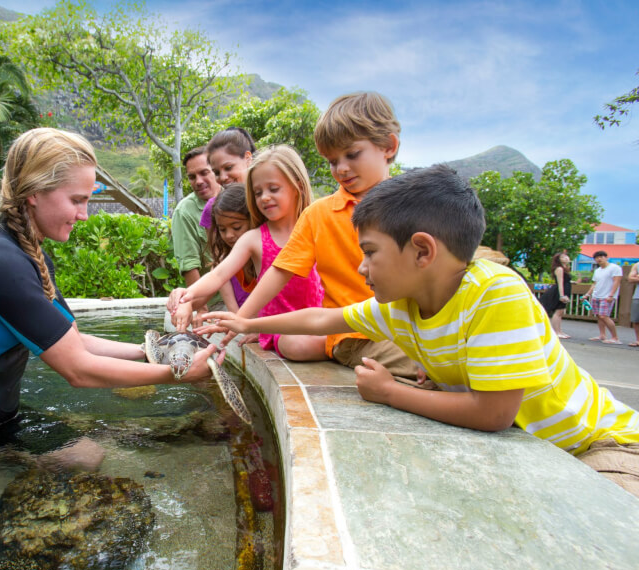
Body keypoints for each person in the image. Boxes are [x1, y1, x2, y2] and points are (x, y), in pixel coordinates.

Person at [199, 164, 639, 498]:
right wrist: (247, 323)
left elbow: (494, 414)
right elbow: (321, 318)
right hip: (541, 453)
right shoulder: (403, 307)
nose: (360, 267)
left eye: (369, 252)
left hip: (599, 445)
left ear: (422, 251)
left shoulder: (496, 294)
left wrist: (391, 392)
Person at [0, 128, 222, 456]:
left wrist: (151, 349)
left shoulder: (28, 253)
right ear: (34, 191)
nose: (84, 214)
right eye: (77, 200)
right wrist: (176, 374)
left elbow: (73, 340)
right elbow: (78, 369)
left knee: (89, 457)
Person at [211, 91, 422, 380]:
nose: (341, 169)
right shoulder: (321, 214)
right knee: (437, 367)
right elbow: (278, 271)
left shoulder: (416, 205)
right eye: (332, 161)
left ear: (388, 146)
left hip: (414, 328)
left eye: (351, 155)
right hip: (355, 333)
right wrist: (242, 319)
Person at [172, 146, 325, 361]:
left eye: (273, 188)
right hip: (283, 330)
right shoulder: (254, 238)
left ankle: (338, 341)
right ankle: (338, 345)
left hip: (320, 320)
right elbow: (218, 274)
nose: (265, 198)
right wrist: (187, 295)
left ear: (297, 186)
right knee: (296, 345)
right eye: (258, 192)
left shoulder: (316, 228)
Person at [173, 146, 221, 288]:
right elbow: (189, 266)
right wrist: (201, 309)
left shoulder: (236, 194)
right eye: (192, 177)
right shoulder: (184, 212)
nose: (198, 181)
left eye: (204, 173)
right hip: (215, 298)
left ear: (216, 171)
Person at [206, 182, 255, 311]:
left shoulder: (267, 258)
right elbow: (235, 314)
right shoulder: (225, 261)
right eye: (222, 229)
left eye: (236, 227)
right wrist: (185, 298)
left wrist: (241, 322)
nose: (229, 235)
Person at [583, 251, 623, 344]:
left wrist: (611, 295)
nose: (599, 259)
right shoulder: (597, 271)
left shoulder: (614, 268)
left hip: (607, 296)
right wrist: (587, 294)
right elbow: (594, 284)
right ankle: (602, 335)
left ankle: (615, 337)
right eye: (597, 258)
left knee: (604, 316)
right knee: (599, 316)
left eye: (601, 257)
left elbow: (616, 282)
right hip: (596, 295)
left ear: (606, 257)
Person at [540, 252, 573, 339]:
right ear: (559, 259)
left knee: (561, 312)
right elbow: (560, 282)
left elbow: (565, 280)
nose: (566, 258)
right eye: (563, 257)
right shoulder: (559, 269)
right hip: (560, 291)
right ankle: (556, 332)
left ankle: (559, 331)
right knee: (558, 311)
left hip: (565, 290)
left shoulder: (565, 268)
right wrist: (561, 295)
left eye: (566, 256)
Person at [628, 262, 639, 347]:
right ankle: (638, 340)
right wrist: (635, 277)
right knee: (636, 320)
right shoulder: (637, 265)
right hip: (637, 296)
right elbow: (630, 279)